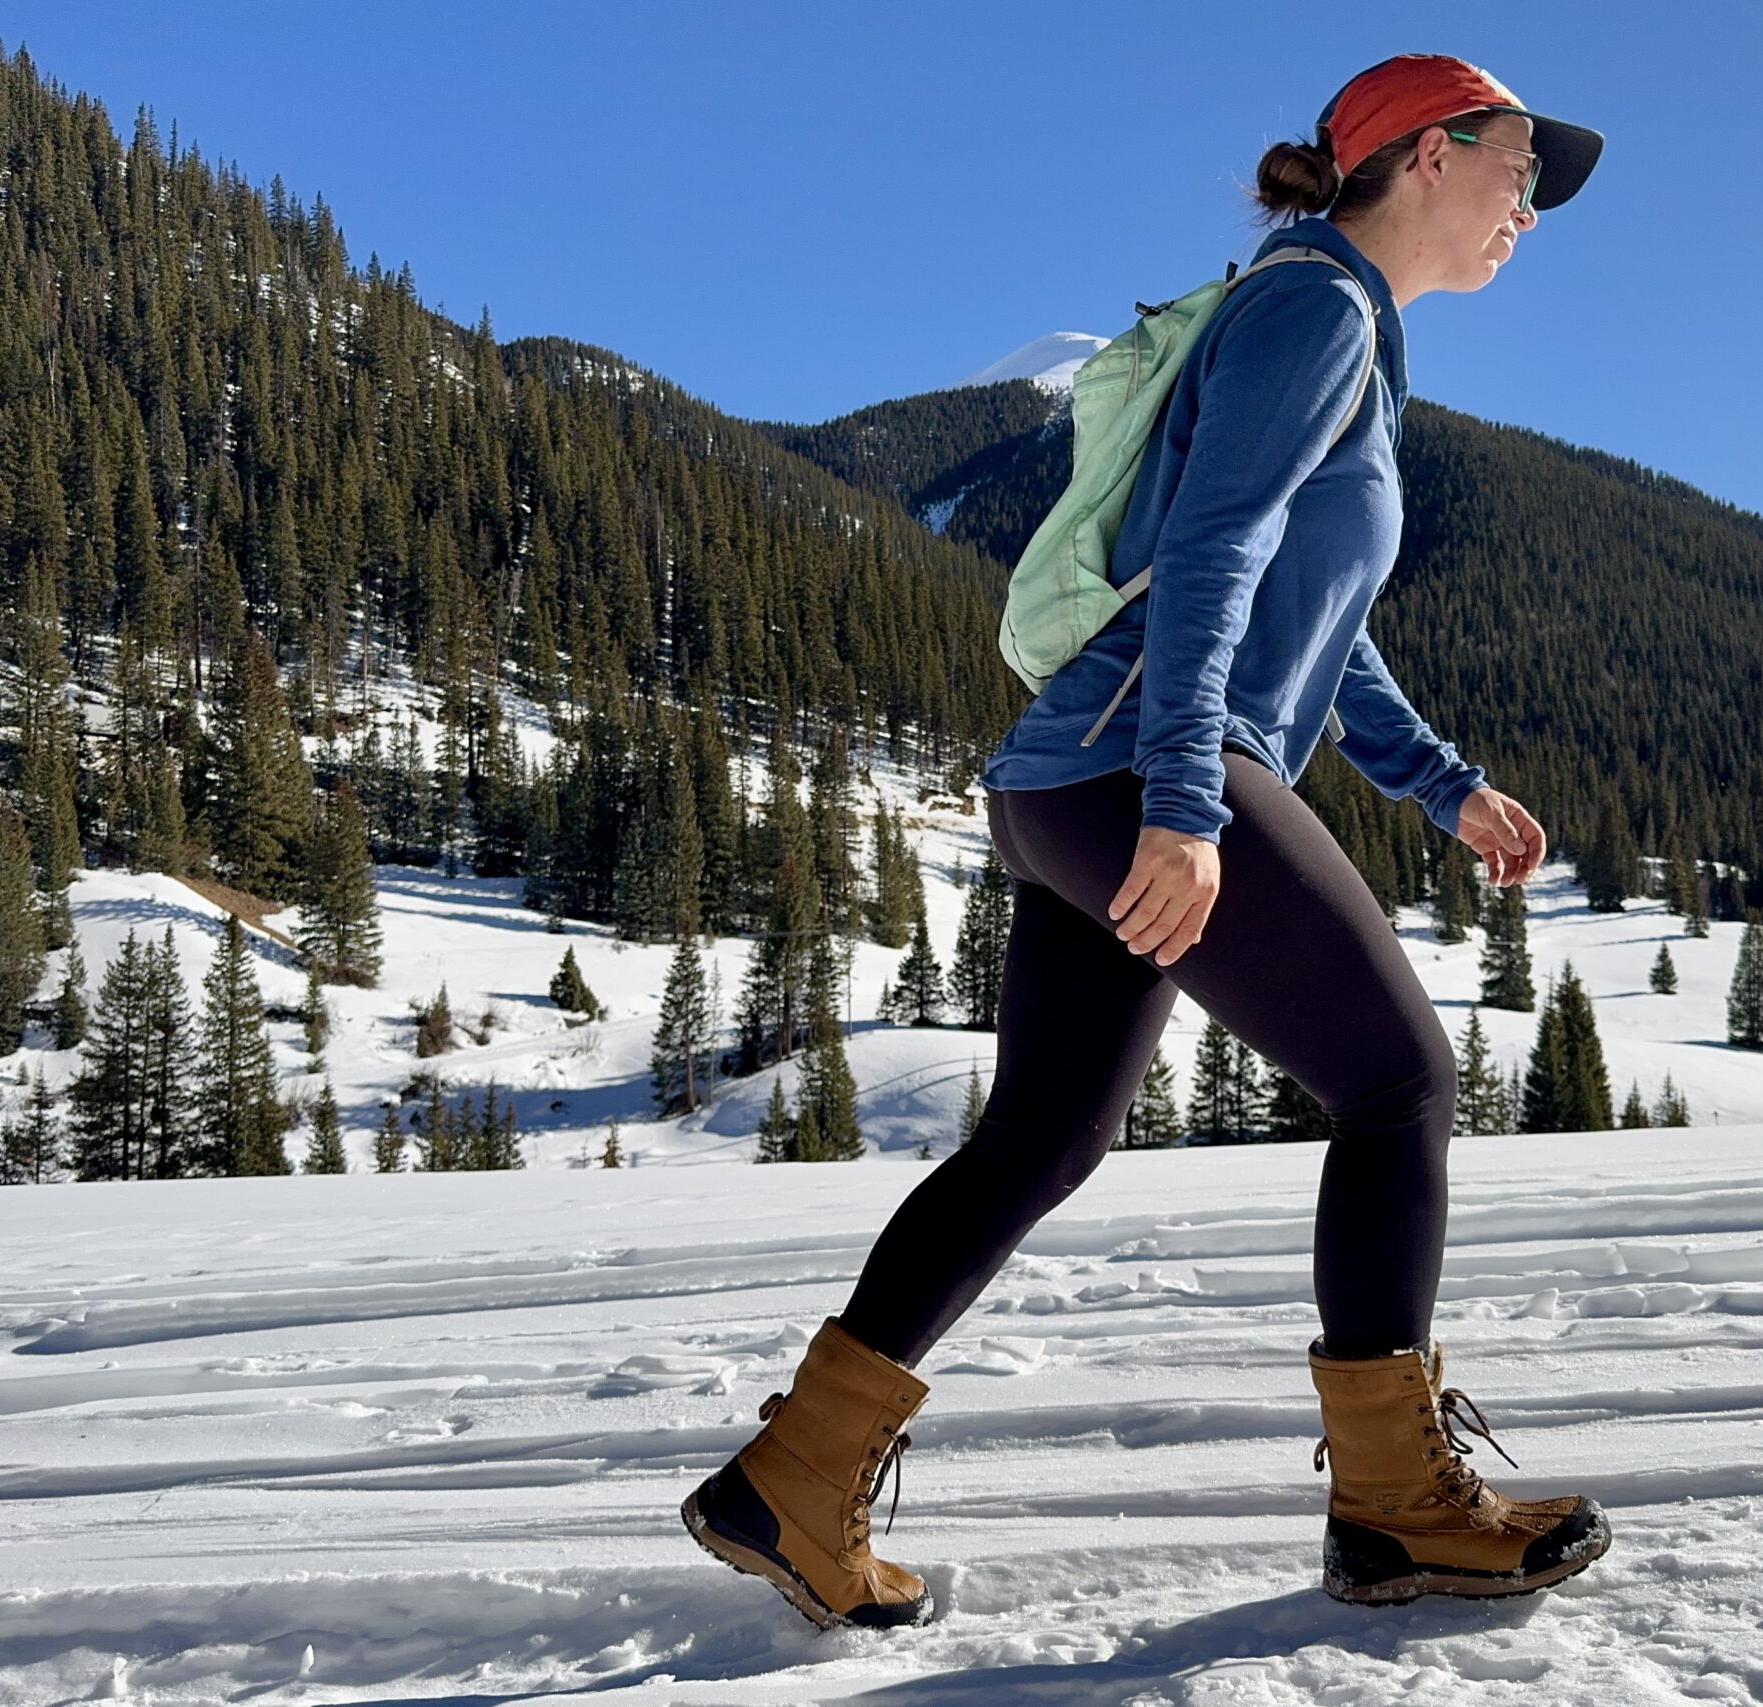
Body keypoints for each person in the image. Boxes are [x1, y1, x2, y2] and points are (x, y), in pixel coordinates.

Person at [682, 52, 1610, 1629]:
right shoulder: (1319, 309)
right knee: (1400, 1085)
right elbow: (1210, 553)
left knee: (1044, 1136)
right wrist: (1186, 802)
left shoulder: (1323, 318)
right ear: (1429, 156)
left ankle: (792, 1480)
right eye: (1521, 162)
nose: (1533, 201)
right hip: (1132, 768)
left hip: (1071, 776)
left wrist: (1435, 781)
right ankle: (1392, 1507)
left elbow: (1304, 612)